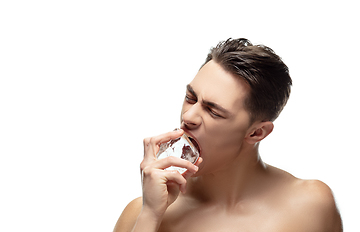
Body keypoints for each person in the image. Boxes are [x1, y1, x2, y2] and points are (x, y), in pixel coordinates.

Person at [113, 38, 342, 232]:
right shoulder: (142, 215)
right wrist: (150, 216)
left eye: (213, 111)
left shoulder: (311, 206)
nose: (189, 116)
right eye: (191, 98)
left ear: (257, 132)